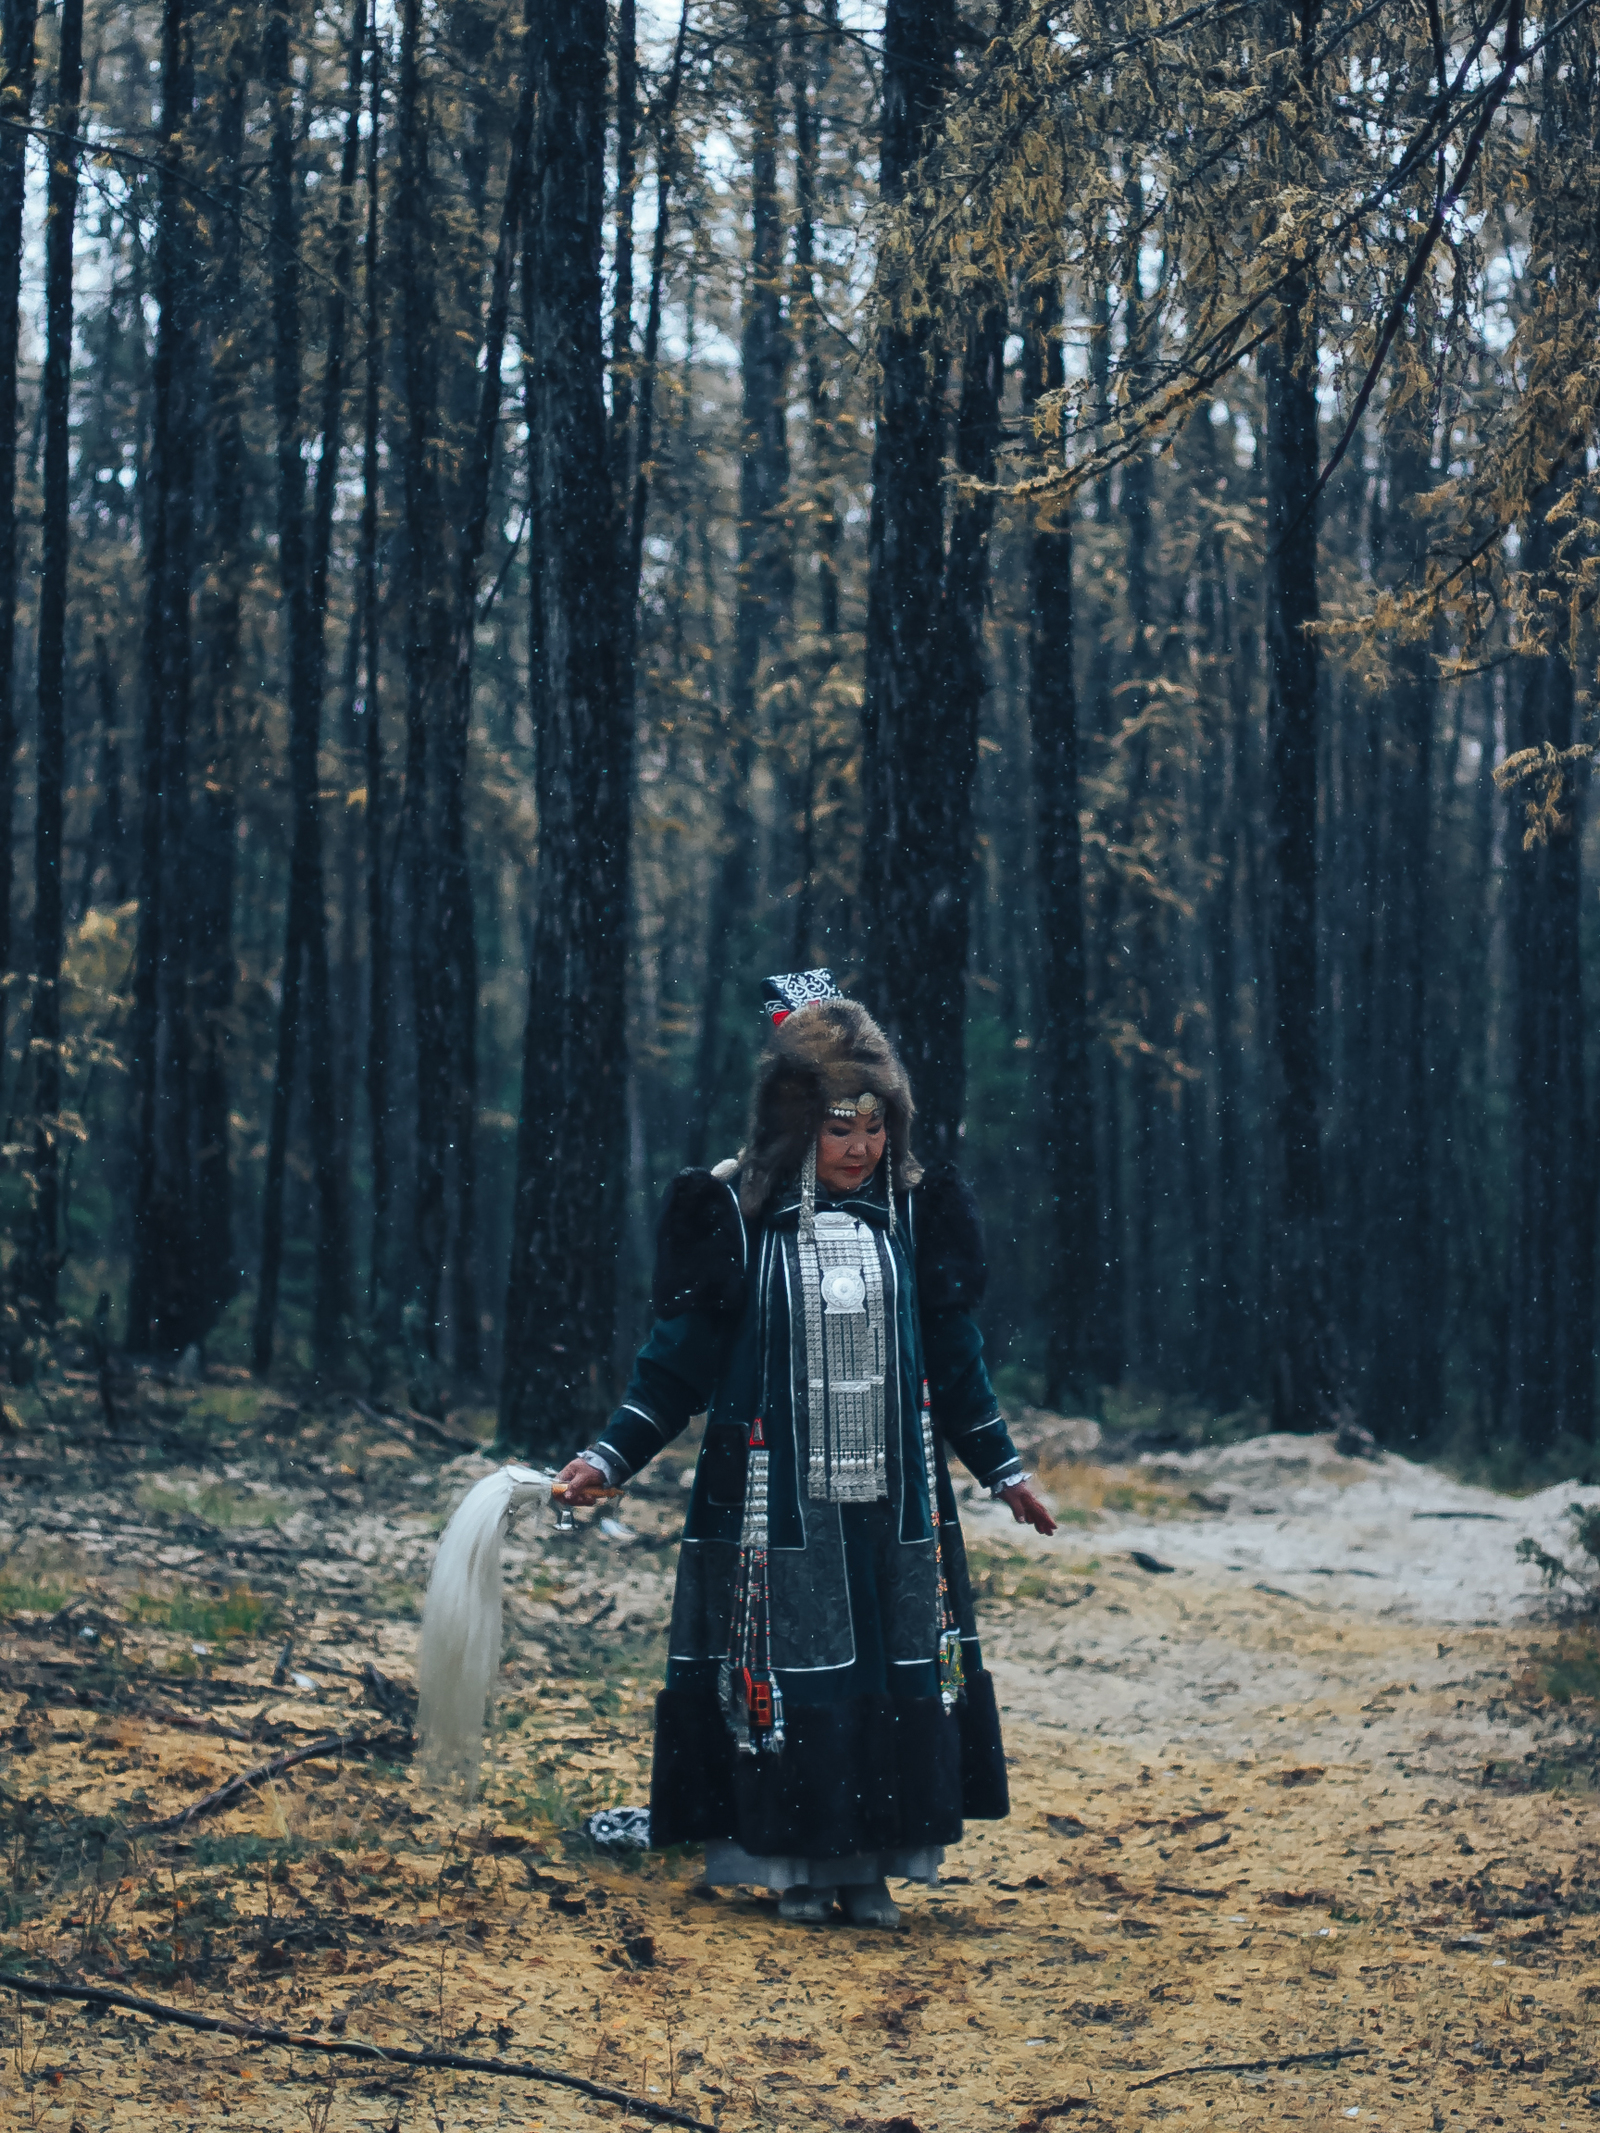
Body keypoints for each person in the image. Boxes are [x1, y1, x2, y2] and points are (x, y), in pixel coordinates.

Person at [554, 971, 1056, 1928]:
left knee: (887, 1670)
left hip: (895, 1511)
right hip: (772, 1508)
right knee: (786, 1673)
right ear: (795, 1124)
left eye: (875, 1125)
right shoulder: (731, 1219)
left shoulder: (917, 1215)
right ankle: (792, 1867)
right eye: (839, 1126)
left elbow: (955, 1363)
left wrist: (1005, 1469)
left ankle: (871, 1865)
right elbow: (676, 1365)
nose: (862, 1147)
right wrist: (610, 1458)